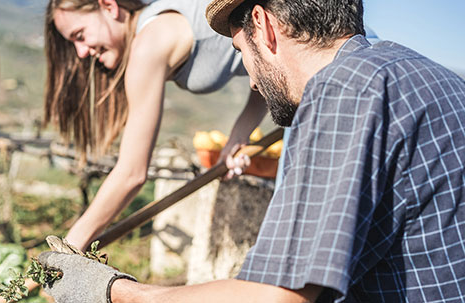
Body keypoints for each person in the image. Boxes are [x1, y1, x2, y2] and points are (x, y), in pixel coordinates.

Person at [35, 0, 465, 302]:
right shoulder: (427, 75)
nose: (250, 78)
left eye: (241, 51)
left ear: (264, 25)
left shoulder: (341, 95)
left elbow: (274, 297)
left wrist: (111, 290)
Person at [43, 0, 269, 253]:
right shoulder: (154, 28)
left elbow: (132, 174)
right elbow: (269, 63)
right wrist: (239, 135)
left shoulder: (148, 46)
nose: (81, 52)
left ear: (108, 6)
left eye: (80, 35)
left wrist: (68, 247)